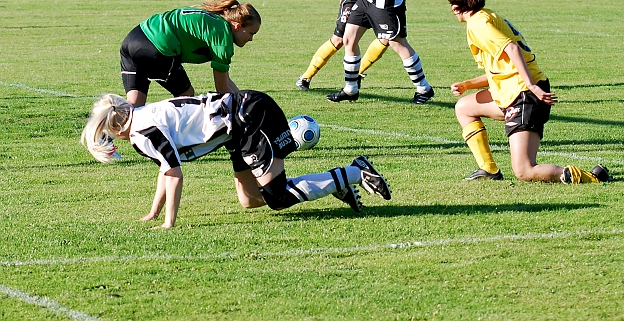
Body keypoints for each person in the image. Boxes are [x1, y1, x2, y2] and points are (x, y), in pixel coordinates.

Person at [81, 90, 392, 228]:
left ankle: (354, 172)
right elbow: (166, 171)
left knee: (277, 199)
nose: (112, 141)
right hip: (237, 128)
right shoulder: (140, 121)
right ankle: (335, 182)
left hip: (251, 116)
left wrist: (169, 222)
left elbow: (174, 174)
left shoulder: (143, 132)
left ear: (117, 127)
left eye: (108, 135)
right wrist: (153, 213)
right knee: (250, 200)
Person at [448, 0, 611, 184]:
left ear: (455, 5)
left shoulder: (478, 24)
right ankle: (488, 169)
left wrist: (532, 87)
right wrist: (468, 85)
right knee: (464, 107)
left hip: (524, 93)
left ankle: (593, 177)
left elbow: (512, 49)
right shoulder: (486, 17)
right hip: (513, 91)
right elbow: (501, 68)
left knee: (524, 170)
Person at [119, 0, 260, 107]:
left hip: (133, 39)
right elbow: (222, 89)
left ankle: (101, 135)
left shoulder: (216, 21)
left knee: (134, 105)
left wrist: (243, 101)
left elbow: (226, 81)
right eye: (251, 33)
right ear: (237, 26)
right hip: (156, 46)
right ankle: (174, 138)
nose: (251, 39)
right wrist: (245, 111)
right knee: (186, 96)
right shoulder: (223, 35)